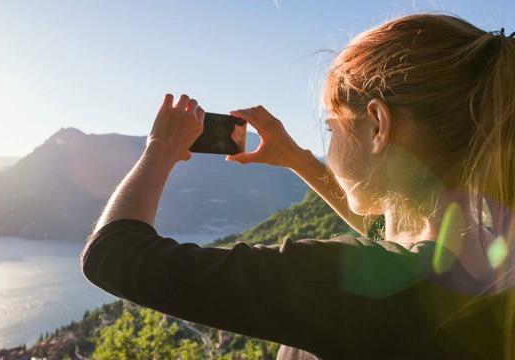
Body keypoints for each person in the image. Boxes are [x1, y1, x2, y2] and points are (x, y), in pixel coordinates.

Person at [81, 13, 515, 359]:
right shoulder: (495, 265)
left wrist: (159, 149)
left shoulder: (332, 282)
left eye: (332, 127)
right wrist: (295, 159)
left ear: (378, 126)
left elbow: (112, 254)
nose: (328, 145)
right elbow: (389, 243)